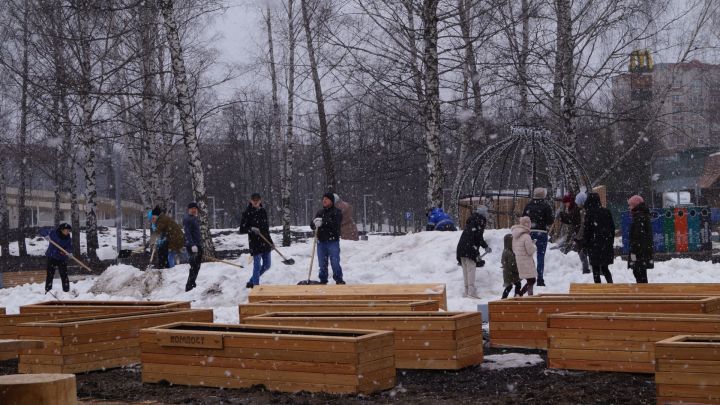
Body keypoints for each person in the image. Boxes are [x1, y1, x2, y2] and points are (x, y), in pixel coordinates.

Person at [310, 193, 345, 284]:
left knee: (335, 263)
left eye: (326, 199)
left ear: (332, 201)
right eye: (323, 199)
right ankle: (323, 280)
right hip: (321, 242)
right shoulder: (320, 212)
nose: (324, 200)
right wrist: (314, 223)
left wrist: (323, 222)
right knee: (322, 264)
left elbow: (335, 225)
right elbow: (312, 225)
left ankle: (339, 280)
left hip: (333, 242)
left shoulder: (337, 212)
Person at [455, 206, 490, 299]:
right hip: (469, 248)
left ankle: (466, 292)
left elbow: (473, 237)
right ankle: (471, 292)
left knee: (466, 271)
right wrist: (485, 247)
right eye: (486, 212)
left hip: (461, 248)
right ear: (483, 213)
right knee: (471, 270)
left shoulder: (472, 220)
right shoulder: (479, 221)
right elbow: (478, 238)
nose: (487, 214)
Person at [522, 187, 554, 286]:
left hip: (530, 232)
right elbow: (550, 221)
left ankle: (530, 277)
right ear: (543, 195)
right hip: (541, 232)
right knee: (540, 255)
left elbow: (523, 219)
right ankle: (540, 278)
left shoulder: (528, 205)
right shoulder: (546, 206)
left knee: (528, 255)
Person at [239, 193, 272, 289]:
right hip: (255, 244)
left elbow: (266, 229)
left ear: (260, 200)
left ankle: (251, 280)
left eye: (257, 199)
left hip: (265, 243)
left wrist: (271, 242)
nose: (256, 201)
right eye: (254, 200)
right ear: (251, 201)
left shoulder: (263, 211)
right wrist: (251, 229)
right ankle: (256, 286)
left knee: (267, 265)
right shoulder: (247, 213)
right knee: (257, 266)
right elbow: (242, 229)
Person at [583, 192, 614, 284]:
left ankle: (598, 289)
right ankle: (611, 285)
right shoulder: (607, 212)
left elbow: (587, 231)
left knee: (595, 269)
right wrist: (610, 241)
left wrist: (586, 244)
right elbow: (612, 228)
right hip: (606, 244)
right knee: (605, 268)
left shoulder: (589, 214)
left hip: (594, 245)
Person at [628, 195, 654, 283]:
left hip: (638, 251)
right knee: (641, 272)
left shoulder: (639, 217)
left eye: (630, 205)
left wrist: (634, 251)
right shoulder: (642, 215)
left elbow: (638, 236)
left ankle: (643, 293)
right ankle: (644, 293)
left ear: (635, 205)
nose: (629, 208)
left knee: (638, 272)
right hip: (643, 250)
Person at [42, 223, 73, 293]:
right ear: (62, 230)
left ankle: (66, 290)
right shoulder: (53, 233)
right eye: (66, 230)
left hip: (62, 258)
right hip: (52, 256)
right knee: (50, 274)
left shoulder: (68, 238)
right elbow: (42, 230)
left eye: (68, 230)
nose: (68, 232)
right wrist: (46, 235)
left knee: (64, 275)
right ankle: (48, 290)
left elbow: (69, 247)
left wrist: (69, 252)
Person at [512, 216, 537, 296]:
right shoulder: (527, 236)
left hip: (519, 261)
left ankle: (522, 294)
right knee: (532, 280)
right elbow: (530, 251)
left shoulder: (515, 236)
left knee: (530, 280)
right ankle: (524, 295)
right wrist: (534, 246)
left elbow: (514, 249)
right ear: (527, 224)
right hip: (527, 262)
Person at [183, 202, 203, 291]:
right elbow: (187, 233)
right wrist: (192, 244)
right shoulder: (187, 219)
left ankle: (192, 282)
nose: (194, 210)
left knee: (197, 266)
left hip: (197, 245)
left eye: (195, 208)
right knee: (194, 266)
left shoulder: (194, 218)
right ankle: (189, 286)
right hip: (192, 246)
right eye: (192, 208)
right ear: (189, 209)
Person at [573, 192, 591, 274]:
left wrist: (578, 236)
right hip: (587, 235)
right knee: (584, 252)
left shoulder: (584, 211)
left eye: (578, 202)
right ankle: (588, 269)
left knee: (582, 253)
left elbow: (583, 226)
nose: (577, 204)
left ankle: (586, 270)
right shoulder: (585, 210)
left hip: (585, 236)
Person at [501, 233, 521, 299]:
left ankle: (504, 297)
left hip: (508, 273)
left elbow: (503, 261)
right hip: (511, 274)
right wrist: (517, 270)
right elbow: (512, 265)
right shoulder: (509, 253)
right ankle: (516, 296)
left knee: (509, 286)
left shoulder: (505, 251)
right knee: (517, 284)